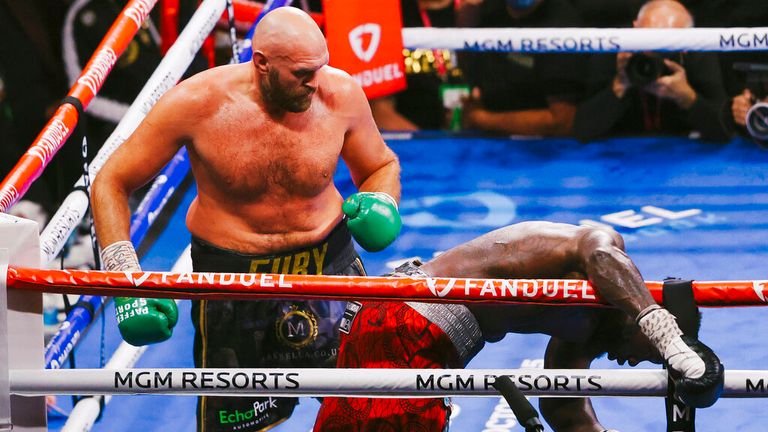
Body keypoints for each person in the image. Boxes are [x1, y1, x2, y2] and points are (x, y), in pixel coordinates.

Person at [91, 7, 402, 432]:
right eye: (301, 73)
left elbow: (379, 165)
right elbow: (111, 179)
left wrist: (383, 201)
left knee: (379, 412)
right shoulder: (196, 104)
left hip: (328, 268)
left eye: (320, 67)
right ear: (261, 64)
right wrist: (125, 280)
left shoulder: (339, 94)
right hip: (233, 286)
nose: (316, 81)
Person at [314, 221, 724, 431]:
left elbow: (565, 409)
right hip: (407, 320)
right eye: (649, 353)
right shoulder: (604, 247)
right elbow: (601, 256)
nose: (633, 363)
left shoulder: (586, 333)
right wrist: (666, 338)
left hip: (407, 326)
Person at [573, 0, 730, 142]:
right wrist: (620, 85)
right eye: (648, 39)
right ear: (634, 28)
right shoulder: (614, 49)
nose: (655, 52)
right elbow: (582, 130)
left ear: (686, 45)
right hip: (621, 155)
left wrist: (688, 98)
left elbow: (724, 132)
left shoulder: (698, 52)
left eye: (667, 44)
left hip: (683, 155)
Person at [458, 0, 587, 136]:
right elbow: (468, 72)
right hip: (487, 144)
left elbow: (563, 122)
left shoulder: (561, 27)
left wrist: (481, 119)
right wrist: (467, 15)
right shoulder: (488, 13)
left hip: (544, 149)